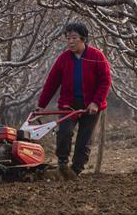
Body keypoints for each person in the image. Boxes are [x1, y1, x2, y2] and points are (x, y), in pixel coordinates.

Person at [37, 22, 112, 180]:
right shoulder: (63, 59)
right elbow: (52, 83)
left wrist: (96, 102)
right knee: (64, 132)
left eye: (74, 38)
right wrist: (41, 105)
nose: (70, 41)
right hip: (69, 103)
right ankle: (62, 164)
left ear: (83, 39)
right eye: (68, 38)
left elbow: (105, 81)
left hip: (91, 105)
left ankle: (75, 170)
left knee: (84, 140)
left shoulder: (97, 56)